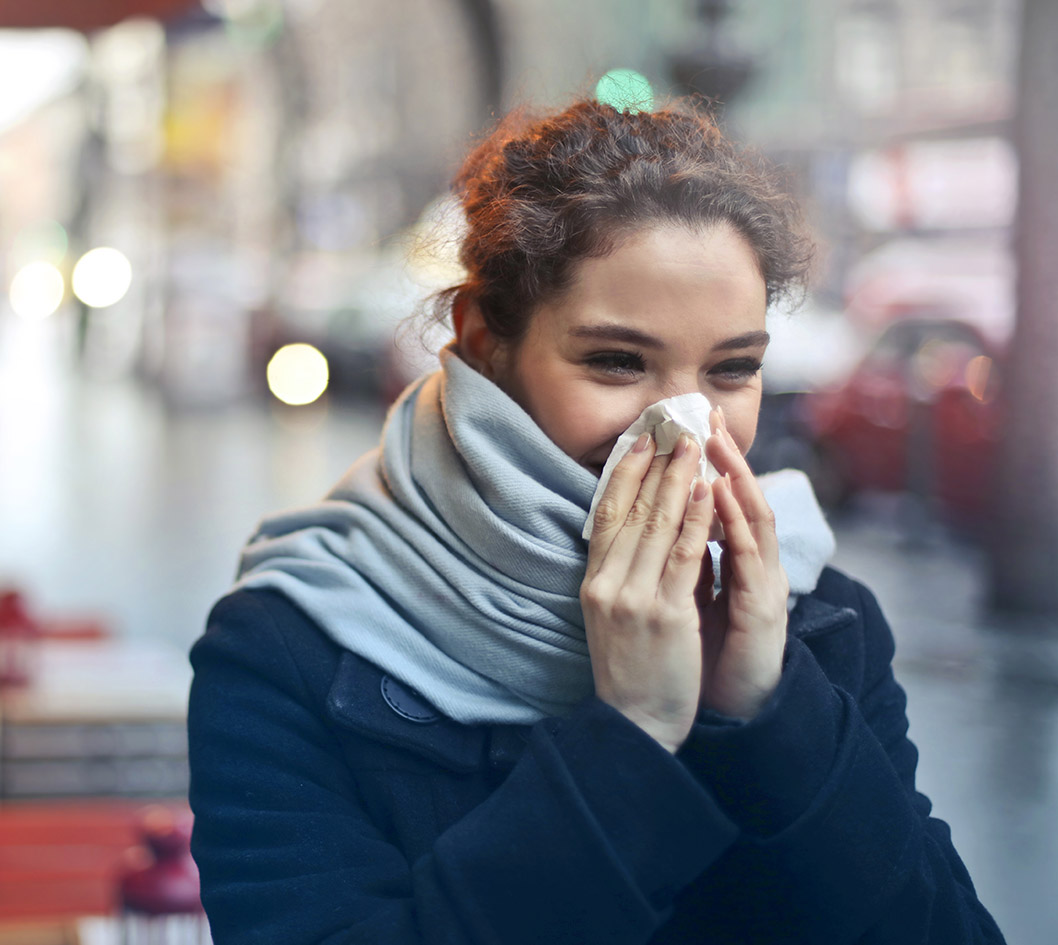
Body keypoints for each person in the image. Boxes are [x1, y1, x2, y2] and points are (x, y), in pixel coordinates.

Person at [187, 99, 1005, 944]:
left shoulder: (822, 621)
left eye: (732, 370)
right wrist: (630, 734)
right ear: (481, 340)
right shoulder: (291, 644)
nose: (686, 426)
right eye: (616, 361)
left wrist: (771, 710)